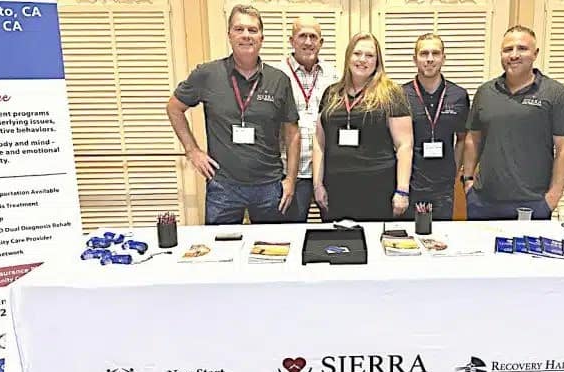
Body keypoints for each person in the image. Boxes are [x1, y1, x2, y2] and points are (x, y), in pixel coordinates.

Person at [166, 4, 300, 224]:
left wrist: (291, 180)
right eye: (239, 29)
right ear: (229, 35)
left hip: (269, 186)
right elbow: (174, 107)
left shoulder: (279, 80)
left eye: (252, 30)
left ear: (261, 37)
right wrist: (192, 150)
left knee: (273, 245)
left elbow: (293, 133)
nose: (246, 35)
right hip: (223, 187)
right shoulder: (207, 74)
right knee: (219, 245)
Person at [462, 25, 564, 220]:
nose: (514, 55)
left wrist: (552, 198)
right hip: (482, 201)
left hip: (533, 203)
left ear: (535, 53)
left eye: (522, 48)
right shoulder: (485, 92)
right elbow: (473, 139)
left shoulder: (557, 95)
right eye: (508, 49)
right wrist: (468, 181)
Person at [312, 32, 413, 221]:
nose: (362, 60)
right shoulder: (331, 93)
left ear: (377, 60)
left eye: (369, 55)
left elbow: (404, 145)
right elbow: (319, 143)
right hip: (336, 189)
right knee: (337, 239)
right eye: (357, 53)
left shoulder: (391, 93)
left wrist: (402, 190)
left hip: (377, 188)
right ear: (348, 56)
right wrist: (317, 185)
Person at [275, 16, 338, 222]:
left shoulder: (334, 76)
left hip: (327, 171)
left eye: (313, 37)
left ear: (321, 42)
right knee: (291, 231)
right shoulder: (276, 75)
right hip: (290, 171)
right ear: (292, 40)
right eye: (302, 36)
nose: (308, 42)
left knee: (334, 231)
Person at [402, 33, 470, 220]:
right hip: (410, 185)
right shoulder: (401, 95)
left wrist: (453, 173)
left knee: (441, 236)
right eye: (424, 53)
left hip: (444, 188)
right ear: (415, 59)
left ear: (443, 58)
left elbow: (462, 139)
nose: (430, 59)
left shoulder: (458, 96)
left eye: (435, 53)